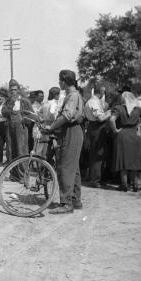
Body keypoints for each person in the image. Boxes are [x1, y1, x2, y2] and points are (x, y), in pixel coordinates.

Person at [46, 70, 84, 214]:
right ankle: (75, 200)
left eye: (59, 80)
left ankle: (66, 203)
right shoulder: (75, 95)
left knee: (65, 167)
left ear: (63, 81)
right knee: (73, 168)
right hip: (74, 131)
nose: (59, 83)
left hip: (71, 131)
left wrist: (52, 127)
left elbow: (67, 116)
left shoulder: (72, 96)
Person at [109, 91, 141, 192]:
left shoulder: (118, 108)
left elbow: (111, 120)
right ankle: (135, 185)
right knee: (134, 161)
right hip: (134, 135)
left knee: (123, 162)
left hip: (122, 135)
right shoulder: (137, 109)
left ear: (123, 99)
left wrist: (115, 130)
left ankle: (124, 185)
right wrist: (140, 125)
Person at [84, 84, 112, 188]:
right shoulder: (93, 102)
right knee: (97, 154)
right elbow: (100, 118)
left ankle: (96, 177)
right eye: (103, 92)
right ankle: (95, 180)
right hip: (97, 128)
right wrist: (109, 112)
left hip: (94, 128)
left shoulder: (92, 102)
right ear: (100, 92)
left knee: (96, 153)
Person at [2, 79, 33, 164]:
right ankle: (13, 175)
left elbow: (31, 114)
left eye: (15, 90)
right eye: (11, 90)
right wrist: (11, 104)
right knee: (11, 150)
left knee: (21, 150)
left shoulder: (24, 101)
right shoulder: (8, 101)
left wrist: (25, 121)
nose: (13, 92)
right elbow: (3, 112)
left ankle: (22, 175)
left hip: (21, 129)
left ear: (18, 90)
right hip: (10, 128)